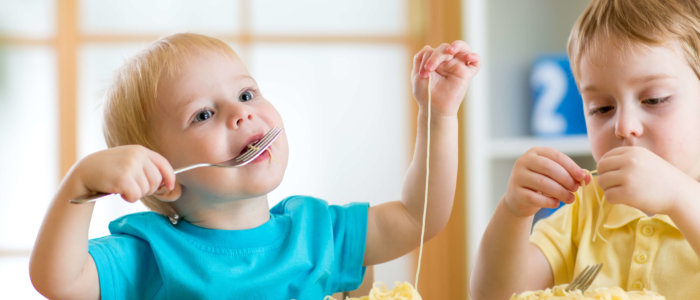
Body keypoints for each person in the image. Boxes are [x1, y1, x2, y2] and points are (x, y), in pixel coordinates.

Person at [29, 33, 481, 299]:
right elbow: (58, 281)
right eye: (203, 114)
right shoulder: (152, 253)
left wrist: (437, 117)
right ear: (162, 177)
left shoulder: (319, 232)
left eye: (246, 94)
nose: (241, 113)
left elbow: (419, 217)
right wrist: (82, 182)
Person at [470, 0, 700, 298]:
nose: (623, 126)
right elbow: (493, 295)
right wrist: (514, 212)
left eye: (654, 99)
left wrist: (679, 197)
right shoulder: (586, 208)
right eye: (602, 108)